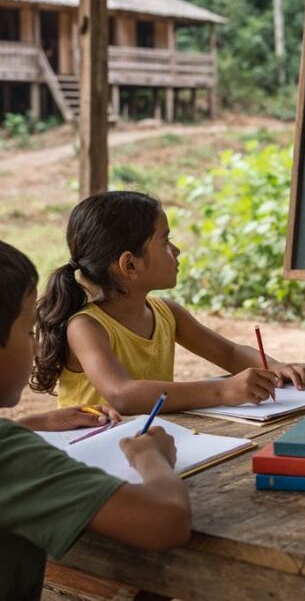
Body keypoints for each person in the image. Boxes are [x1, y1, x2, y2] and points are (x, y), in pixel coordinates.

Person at [0, 240, 191, 601]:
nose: (36, 346)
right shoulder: (10, 457)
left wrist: (29, 424)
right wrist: (151, 456)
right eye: (28, 332)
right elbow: (166, 522)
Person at [33, 190, 305, 414]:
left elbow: (228, 353)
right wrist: (221, 391)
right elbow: (122, 395)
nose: (177, 250)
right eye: (165, 241)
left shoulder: (166, 312)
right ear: (130, 264)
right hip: (90, 453)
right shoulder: (86, 327)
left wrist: (276, 369)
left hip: (143, 444)